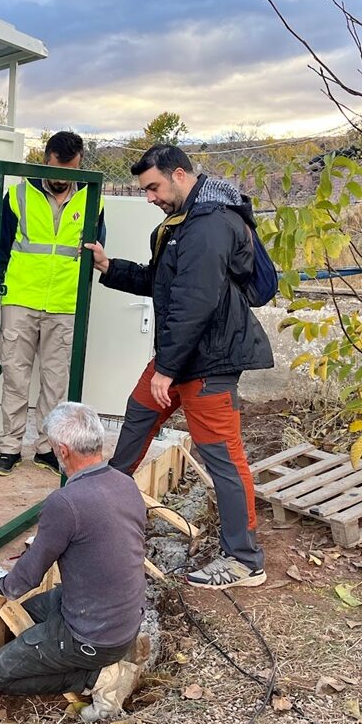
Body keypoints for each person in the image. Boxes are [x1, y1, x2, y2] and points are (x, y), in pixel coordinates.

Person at [85, 144, 273, 589]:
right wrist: (111, 268)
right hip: (183, 354)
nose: (150, 197)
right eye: (145, 190)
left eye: (154, 187)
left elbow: (195, 302)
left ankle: (244, 560)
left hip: (209, 360)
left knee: (222, 456)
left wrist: (166, 369)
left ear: (180, 175)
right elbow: (163, 282)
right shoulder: (185, 222)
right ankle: (102, 504)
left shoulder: (209, 225)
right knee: (139, 413)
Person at [0, 402, 148, 722]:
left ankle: (99, 677)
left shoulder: (66, 502)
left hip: (92, 637)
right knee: (26, 616)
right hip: (121, 618)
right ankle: (115, 653)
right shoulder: (124, 483)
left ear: (63, 450)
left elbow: (24, 580)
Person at [0, 131, 104, 477]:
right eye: (58, 168)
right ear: (45, 160)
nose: (63, 177)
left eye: (71, 170)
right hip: (20, 299)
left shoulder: (93, 199)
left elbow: (95, 253)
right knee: (15, 377)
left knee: (55, 383)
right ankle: (10, 447)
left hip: (65, 304)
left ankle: (46, 448)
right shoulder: (18, 195)